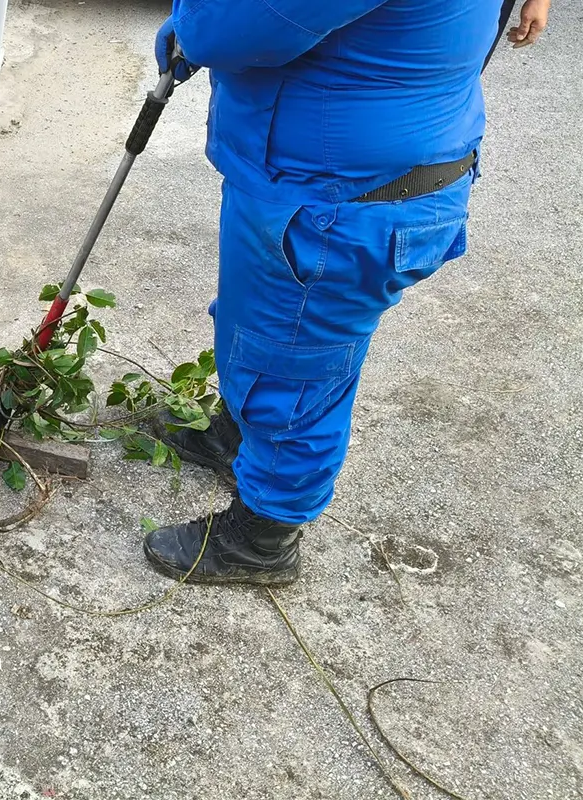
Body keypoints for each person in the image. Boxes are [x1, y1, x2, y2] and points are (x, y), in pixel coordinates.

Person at [140, 2, 502, 586]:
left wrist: (192, 24)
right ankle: (239, 438)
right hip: (336, 179)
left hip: (342, 205)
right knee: (256, 328)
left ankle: (261, 540)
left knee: (291, 369)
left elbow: (233, 27)